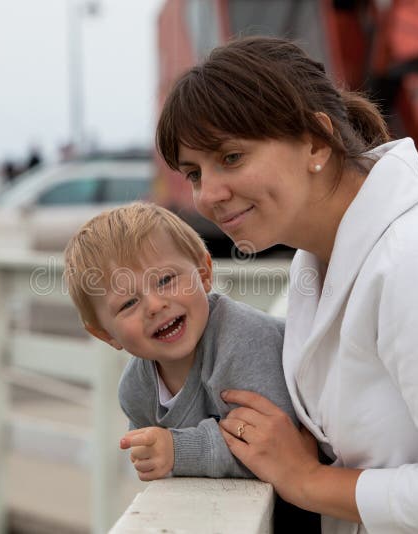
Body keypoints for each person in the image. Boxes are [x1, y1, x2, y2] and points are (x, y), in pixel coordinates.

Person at [155, 36, 418, 533]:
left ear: (317, 142)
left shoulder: (414, 262)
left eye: (232, 157)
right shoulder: (321, 259)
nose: (209, 194)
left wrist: (305, 479)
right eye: (194, 172)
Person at [63, 202, 319, 529]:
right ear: (104, 334)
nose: (155, 305)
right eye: (128, 303)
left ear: (204, 274)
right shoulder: (136, 390)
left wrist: (177, 450)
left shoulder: (241, 340)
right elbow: (158, 458)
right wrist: (156, 454)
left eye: (166, 280)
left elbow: (276, 450)